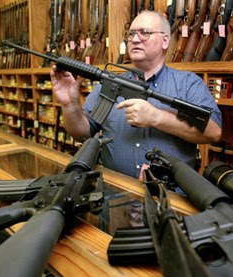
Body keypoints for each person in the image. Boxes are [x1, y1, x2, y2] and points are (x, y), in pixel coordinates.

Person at [50, 10, 222, 179]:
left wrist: (156, 117)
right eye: (131, 34)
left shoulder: (188, 83)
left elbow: (213, 132)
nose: (135, 39)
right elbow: (82, 134)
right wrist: (70, 104)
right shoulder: (109, 84)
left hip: (171, 198)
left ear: (165, 41)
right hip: (116, 194)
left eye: (144, 33)